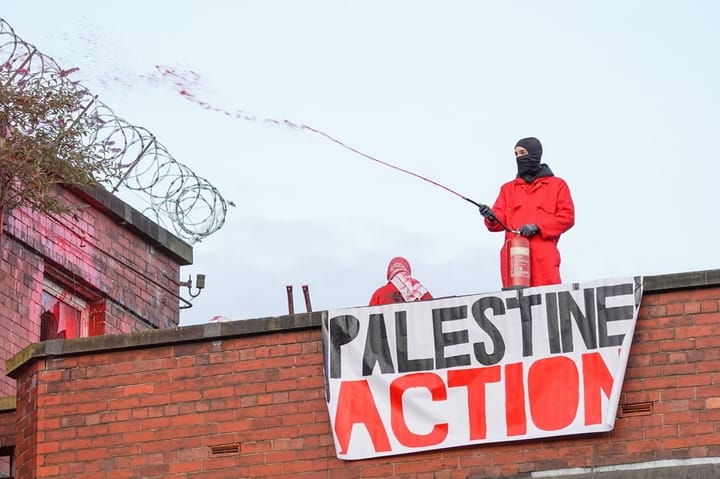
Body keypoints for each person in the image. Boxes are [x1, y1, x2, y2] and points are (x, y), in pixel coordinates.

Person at [478, 137, 575, 287]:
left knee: (547, 301)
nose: (519, 158)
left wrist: (538, 227)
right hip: (514, 258)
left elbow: (567, 217)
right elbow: (497, 224)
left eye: (523, 153)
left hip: (543, 257)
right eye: (516, 154)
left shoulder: (557, 185)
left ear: (535, 154)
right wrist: (490, 216)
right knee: (517, 302)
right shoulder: (507, 189)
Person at [369, 256, 433, 306]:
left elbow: (370, 318)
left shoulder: (379, 294)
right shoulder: (422, 291)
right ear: (407, 269)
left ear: (389, 272)